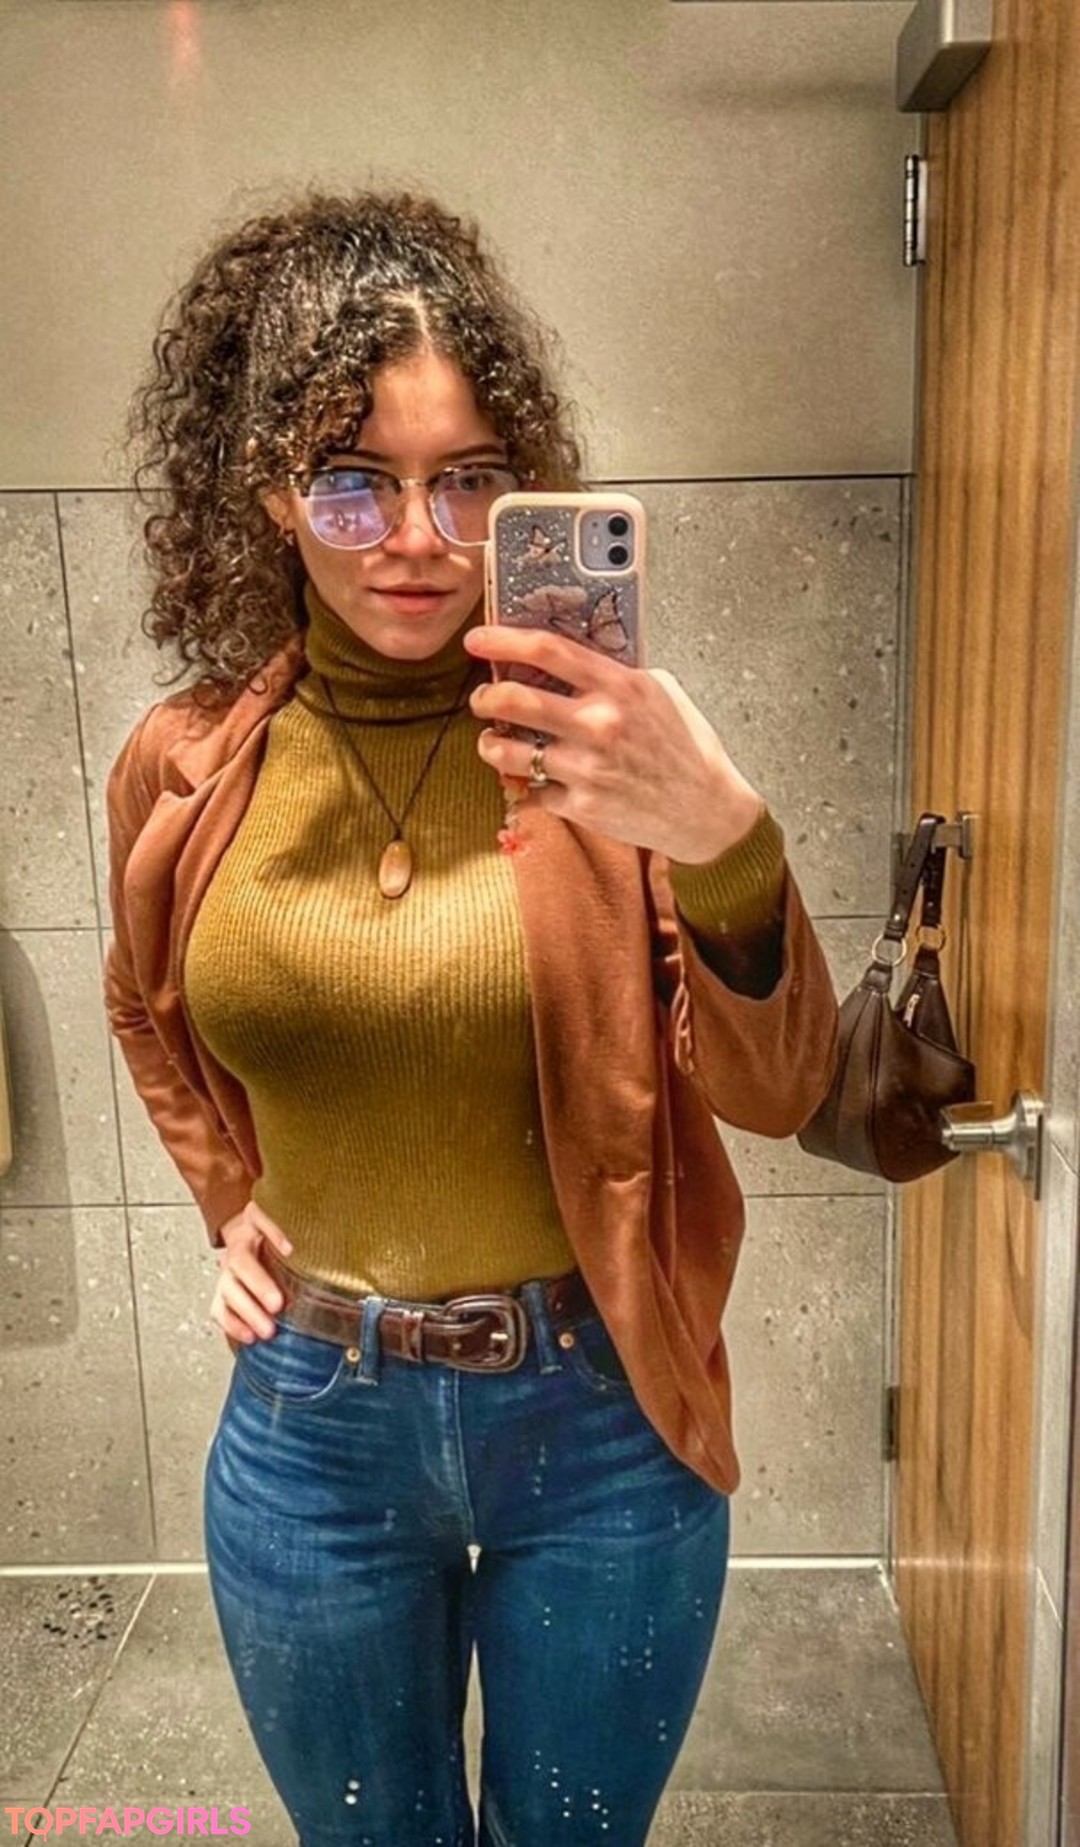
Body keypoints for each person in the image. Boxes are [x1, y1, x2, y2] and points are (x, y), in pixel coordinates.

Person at [105, 189, 839, 1847]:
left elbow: (786, 1086)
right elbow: (143, 1003)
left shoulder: (604, 761)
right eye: (356, 481)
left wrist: (725, 842)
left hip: (598, 1411)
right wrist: (229, 1201)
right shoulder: (185, 764)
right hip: (311, 1427)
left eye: (468, 479)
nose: (419, 536)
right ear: (271, 489)